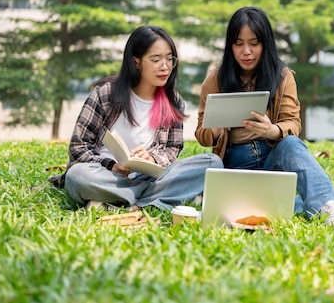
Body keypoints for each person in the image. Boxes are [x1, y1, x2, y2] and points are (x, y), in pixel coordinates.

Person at [195, 6, 334, 229]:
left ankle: (332, 208)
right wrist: (216, 128)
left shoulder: (282, 76)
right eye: (239, 43)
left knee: (292, 144)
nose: (246, 51)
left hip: (272, 157)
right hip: (236, 166)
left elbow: (293, 123)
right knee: (259, 207)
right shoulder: (215, 80)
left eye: (254, 43)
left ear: (265, 44)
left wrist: (271, 131)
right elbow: (201, 134)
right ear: (231, 46)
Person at [63, 25, 223, 211]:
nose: (165, 66)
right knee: (77, 176)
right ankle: (158, 197)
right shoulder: (105, 93)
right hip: (106, 175)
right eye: (155, 60)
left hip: (149, 176)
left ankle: (118, 202)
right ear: (136, 61)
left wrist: (152, 159)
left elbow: (172, 150)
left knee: (212, 163)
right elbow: (78, 148)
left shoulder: (174, 101)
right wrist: (111, 165)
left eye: (169, 59)